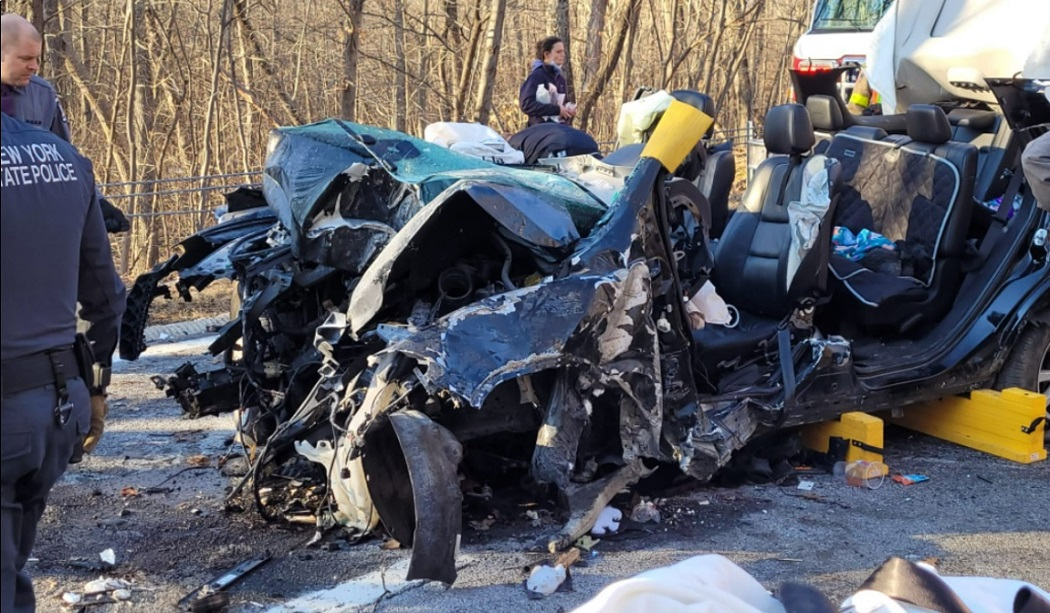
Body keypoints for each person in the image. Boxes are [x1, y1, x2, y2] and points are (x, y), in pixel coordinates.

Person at [1, 111, 126, 612]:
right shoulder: (64, 157)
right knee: (11, 572)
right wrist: (96, 387)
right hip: (59, 406)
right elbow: (106, 296)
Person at [1, 13, 130, 233]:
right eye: (25, 59)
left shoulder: (42, 95)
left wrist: (95, 202)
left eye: (37, 58)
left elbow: (65, 158)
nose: (34, 67)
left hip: (32, 222)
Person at [519, 36, 576, 127]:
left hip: (560, 127)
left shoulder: (560, 79)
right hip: (540, 129)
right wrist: (557, 110)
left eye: (563, 51)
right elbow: (526, 104)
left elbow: (562, 105)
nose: (563, 55)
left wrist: (568, 110)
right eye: (558, 52)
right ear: (547, 55)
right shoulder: (537, 76)